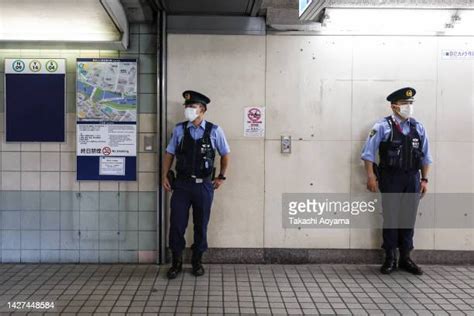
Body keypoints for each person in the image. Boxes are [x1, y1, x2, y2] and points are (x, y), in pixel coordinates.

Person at [361, 87, 432, 275]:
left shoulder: (419, 127)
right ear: (394, 106)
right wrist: (371, 177)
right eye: (405, 103)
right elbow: (368, 155)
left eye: (411, 103)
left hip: (412, 178)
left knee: (408, 218)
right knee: (391, 218)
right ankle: (390, 257)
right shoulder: (382, 127)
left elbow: (426, 157)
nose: (409, 107)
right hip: (391, 178)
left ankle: (406, 258)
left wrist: (424, 180)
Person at [162, 90, 230, 279]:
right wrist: (164, 176)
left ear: (202, 109)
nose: (188, 110)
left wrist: (221, 177)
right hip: (182, 185)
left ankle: (197, 261)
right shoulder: (179, 130)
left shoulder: (215, 131)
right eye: (187, 107)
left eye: (192, 107)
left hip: (204, 186)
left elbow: (225, 154)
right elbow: (169, 154)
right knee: (177, 224)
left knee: (201, 224)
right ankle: (176, 262)